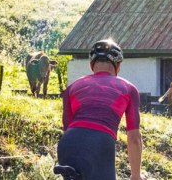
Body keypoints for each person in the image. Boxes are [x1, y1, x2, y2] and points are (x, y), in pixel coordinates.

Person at [58, 39, 144, 180]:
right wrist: (136, 176)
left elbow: (67, 128)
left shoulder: (71, 88)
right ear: (118, 65)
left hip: (67, 144)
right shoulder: (128, 88)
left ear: (91, 64)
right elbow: (134, 138)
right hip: (99, 143)